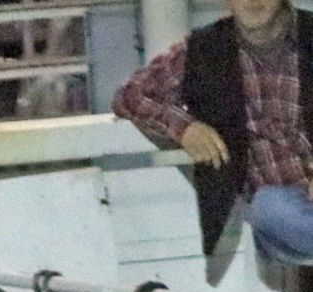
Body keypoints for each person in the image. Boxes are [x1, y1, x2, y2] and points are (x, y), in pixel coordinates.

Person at [112, 0, 313, 266]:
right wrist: (184, 128)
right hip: (279, 216)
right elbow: (130, 94)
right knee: (270, 205)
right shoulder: (205, 48)